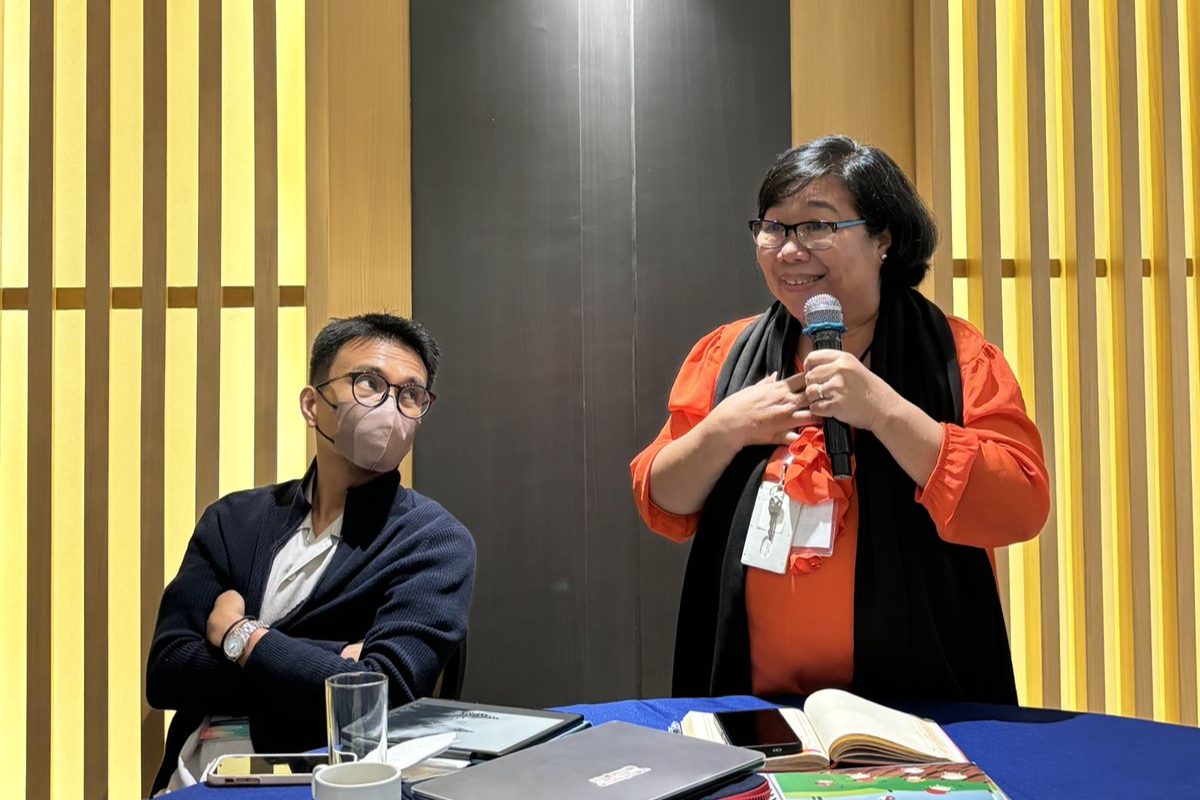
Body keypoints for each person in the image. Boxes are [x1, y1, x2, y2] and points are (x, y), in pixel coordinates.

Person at [630, 135, 1049, 705]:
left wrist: (884, 411)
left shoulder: (956, 356)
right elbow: (663, 501)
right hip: (757, 710)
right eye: (773, 227)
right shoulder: (727, 353)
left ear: (883, 238)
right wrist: (726, 429)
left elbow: (1019, 505)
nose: (788, 249)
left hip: (920, 710)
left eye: (816, 226)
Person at [147, 313, 476, 793]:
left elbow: (387, 692)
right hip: (193, 777)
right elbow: (168, 671)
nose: (391, 407)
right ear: (312, 404)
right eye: (368, 383)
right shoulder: (233, 520)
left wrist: (241, 636)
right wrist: (335, 660)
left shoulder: (433, 540)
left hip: (326, 781)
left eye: (410, 394)